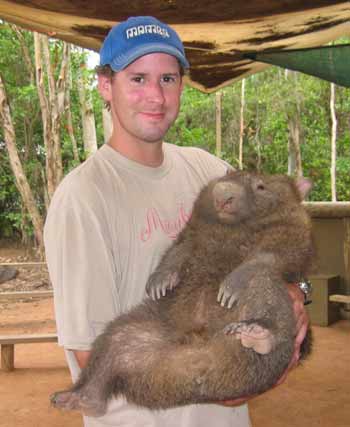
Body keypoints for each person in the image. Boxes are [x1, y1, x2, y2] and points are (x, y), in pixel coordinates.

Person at [44, 15, 309, 427]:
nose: (155, 95)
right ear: (105, 85)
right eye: (137, 79)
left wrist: (295, 291)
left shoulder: (208, 170)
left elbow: (282, 234)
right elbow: (89, 354)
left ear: (181, 86)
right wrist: (226, 379)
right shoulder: (83, 197)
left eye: (167, 79)